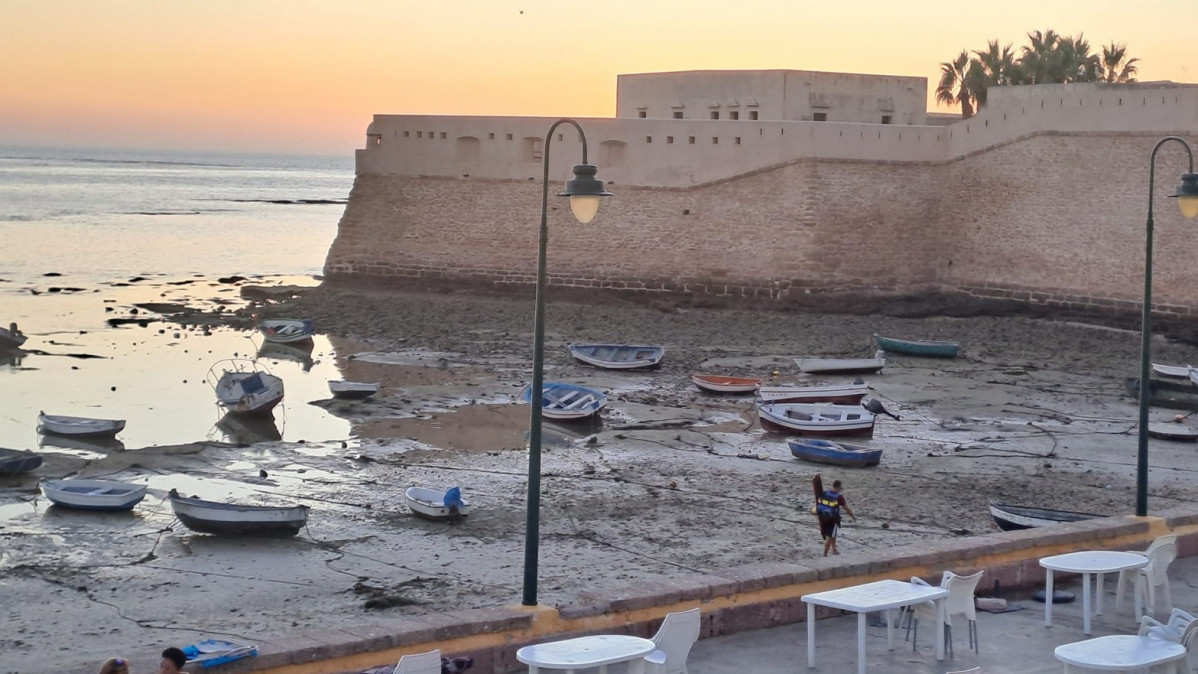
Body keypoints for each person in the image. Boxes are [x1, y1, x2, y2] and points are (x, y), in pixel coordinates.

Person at [812, 473, 856, 556]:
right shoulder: (839, 497)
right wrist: (853, 516)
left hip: (822, 517)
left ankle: (834, 549)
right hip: (832, 519)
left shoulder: (825, 493)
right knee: (830, 535)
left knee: (832, 533)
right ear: (839, 487)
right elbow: (846, 508)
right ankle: (825, 554)